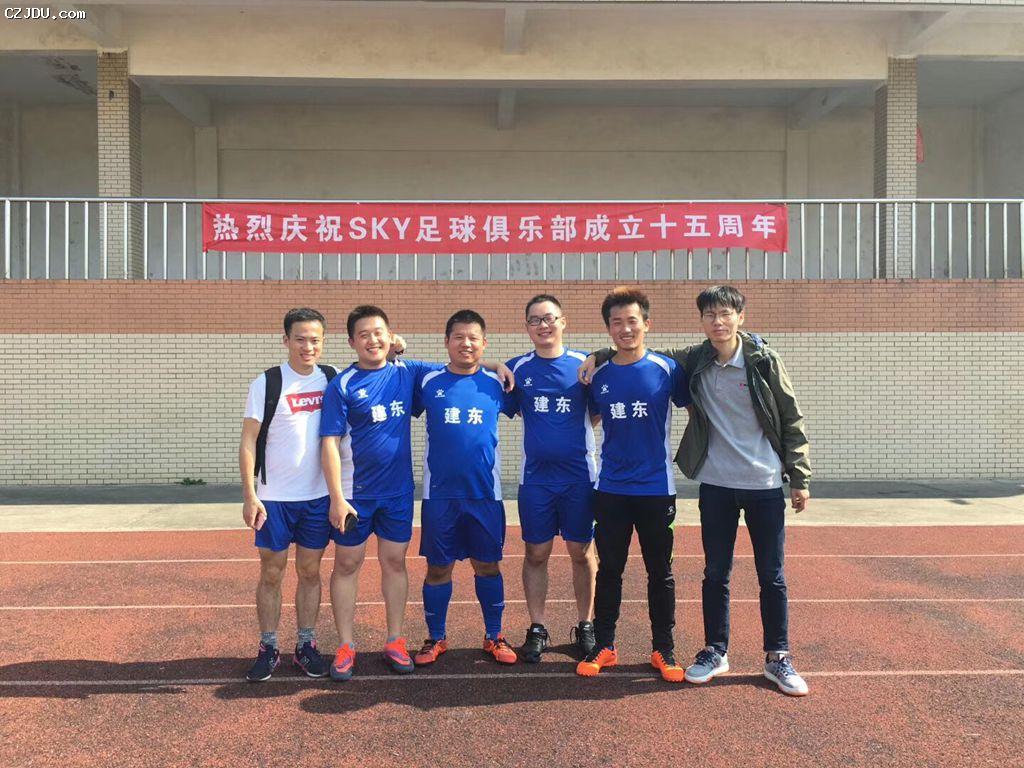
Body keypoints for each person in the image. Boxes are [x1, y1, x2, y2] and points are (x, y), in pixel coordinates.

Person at [581, 285, 812, 696]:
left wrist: (799, 476)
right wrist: (597, 355)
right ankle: (713, 651)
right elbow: (633, 350)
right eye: (710, 315)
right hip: (713, 484)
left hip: (759, 483)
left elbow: (791, 417)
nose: (718, 322)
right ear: (702, 321)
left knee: (771, 575)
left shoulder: (762, 361)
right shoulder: (696, 359)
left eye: (725, 314)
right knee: (714, 573)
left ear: (740, 317)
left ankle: (776, 656)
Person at [320, 305, 514, 681]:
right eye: (364, 334)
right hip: (360, 494)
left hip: (410, 494)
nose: (373, 340)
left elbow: (464, 363)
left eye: (379, 333)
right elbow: (328, 442)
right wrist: (336, 497)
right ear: (351, 341)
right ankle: (348, 645)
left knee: (402, 564)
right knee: (348, 565)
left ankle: (405, 639)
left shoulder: (413, 374)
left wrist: (495, 364)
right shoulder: (351, 384)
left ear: (390, 335)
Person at [575, 288, 690, 683]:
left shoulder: (667, 369)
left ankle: (664, 649)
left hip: (657, 489)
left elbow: (698, 413)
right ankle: (605, 645)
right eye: (617, 322)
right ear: (608, 329)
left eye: (632, 321)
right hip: (611, 489)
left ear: (647, 324)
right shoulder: (599, 375)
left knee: (660, 572)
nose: (625, 329)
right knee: (610, 570)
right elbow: (588, 421)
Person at [411, 309, 520, 667]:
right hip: (439, 496)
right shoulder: (427, 381)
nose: (466, 344)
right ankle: (436, 637)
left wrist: (497, 365)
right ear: (446, 342)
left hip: (484, 495)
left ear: (484, 343)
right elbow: (393, 364)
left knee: (487, 566)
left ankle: (494, 635)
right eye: (458, 337)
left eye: (473, 338)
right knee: (437, 568)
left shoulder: (499, 383)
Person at [239, 307, 335, 682]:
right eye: (300, 339)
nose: (307, 347)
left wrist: (394, 349)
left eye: (314, 340)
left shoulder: (332, 378)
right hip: (274, 498)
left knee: (310, 572)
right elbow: (248, 441)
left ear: (323, 342)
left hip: (317, 497)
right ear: (286, 340)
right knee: (271, 573)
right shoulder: (267, 382)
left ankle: (306, 645)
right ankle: (268, 647)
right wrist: (250, 495)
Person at [505, 294, 598, 662]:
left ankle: (586, 624)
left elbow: (597, 412)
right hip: (536, 480)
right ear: (527, 327)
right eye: (535, 320)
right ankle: (537, 627)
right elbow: (483, 378)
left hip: (579, 477)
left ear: (563, 322)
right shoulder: (517, 369)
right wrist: (495, 363)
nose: (543, 325)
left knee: (581, 551)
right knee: (536, 553)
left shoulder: (584, 365)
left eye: (549, 318)